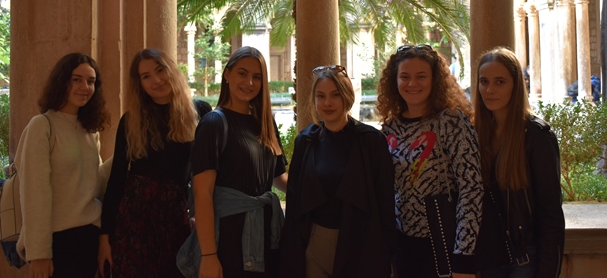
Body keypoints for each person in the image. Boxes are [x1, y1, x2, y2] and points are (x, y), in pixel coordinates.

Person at [98, 48, 211, 278]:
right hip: (133, 217)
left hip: (174, 214)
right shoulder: (131, 120)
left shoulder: (200, 111)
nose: (156, 80)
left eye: (160, 71)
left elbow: (207, 173)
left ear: (172, 71)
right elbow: (116, 180)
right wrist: (105, 236)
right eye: (146, 76)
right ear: (139, 84)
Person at [179, 46, 288, 278]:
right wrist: (208, 255)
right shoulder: (213, 124)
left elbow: (278, 178)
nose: (249, 82)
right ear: (227, 74)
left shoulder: (265, 122)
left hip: (266, 233)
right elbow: (203, 193)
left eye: (257, 77)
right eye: (242, 73)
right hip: (228, 236)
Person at [377, 44, 483, 278]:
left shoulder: (451, 122)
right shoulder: (390, 128)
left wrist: (464, 254)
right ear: (394, 81)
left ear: (435, 79)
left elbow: (471, 189)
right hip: (402, 248)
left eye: (421, 76)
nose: (412, 83)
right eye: (405, 77)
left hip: (444, 246)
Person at [279, 65, 395, 278]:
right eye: (320, 96)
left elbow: (385, 201)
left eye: (335, 95)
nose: (327, 103)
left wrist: (388, 253)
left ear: (347, 97)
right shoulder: (305, 140)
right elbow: (295, 199)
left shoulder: (371, 141)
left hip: (359, 243)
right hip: (315, 242)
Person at [15, 53, 111, 278]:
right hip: (56, 242)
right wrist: (39, 253)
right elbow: (34, 193)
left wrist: (128, 154)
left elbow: (93, 183)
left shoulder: (89, 130)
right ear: (62, 81)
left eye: (91, 81)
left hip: (89, 236)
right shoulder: (42, 125)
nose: (84, 87)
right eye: (76, 79)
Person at [475, 47, 565, 278]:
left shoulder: (536, 136)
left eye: (500, 82)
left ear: (516, 86)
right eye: (484, 82)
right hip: (486, 257)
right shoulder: (475, 133)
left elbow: (551, 213)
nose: (489, 90)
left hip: (524, 257)